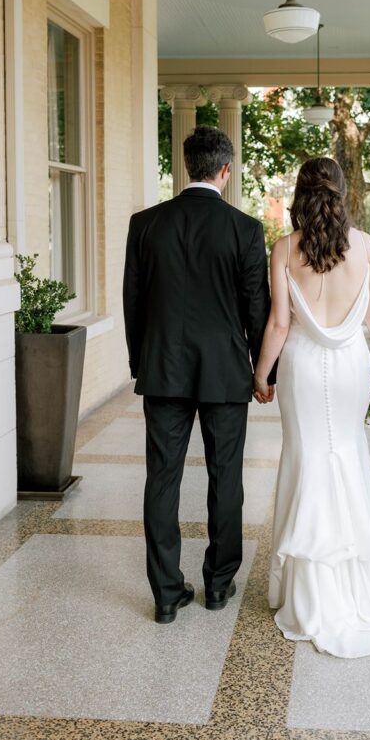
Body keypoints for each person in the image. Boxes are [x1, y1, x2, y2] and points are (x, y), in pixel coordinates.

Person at [253, 157, 370, 658]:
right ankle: (352, 587)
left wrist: (261, 374)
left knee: (306, 460)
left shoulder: (285, 249)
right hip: (351, 364)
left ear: (300, 195)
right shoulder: (366, 246)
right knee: (346, 458)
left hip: (303, 367)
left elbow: (280, 326)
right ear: (342, 191)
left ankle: (305, 592)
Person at [123, 126, 272, 624]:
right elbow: (258, 309)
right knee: (225, 477)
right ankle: (218, 583)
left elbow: (134, 304)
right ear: (225, 170)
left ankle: (166, 594)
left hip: (163, 368)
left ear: (186, 165)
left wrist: (138, 363)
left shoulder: (144, 224)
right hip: (226, 372)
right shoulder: (245, 229)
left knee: (161, 479)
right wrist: (263, 371)